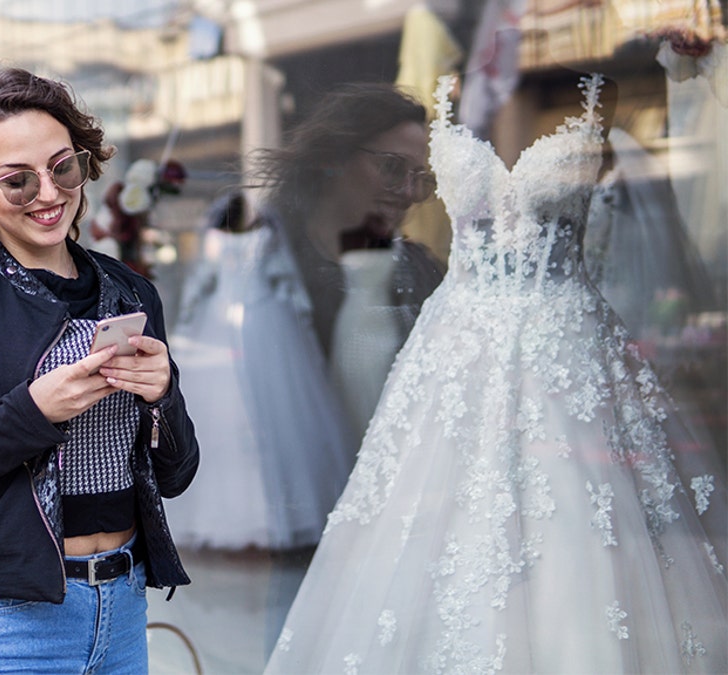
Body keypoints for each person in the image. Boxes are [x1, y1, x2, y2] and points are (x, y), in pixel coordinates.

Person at [265, 74, 727, 674]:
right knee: (432, 509)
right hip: (458, 343)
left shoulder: (596, 96)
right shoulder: (441, 115)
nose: (410, 190)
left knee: (573, 514)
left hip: (564, 341)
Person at [0, 67, 199, 673]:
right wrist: (34, 412)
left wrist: (164, 395)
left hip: (124, 609)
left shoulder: (131, 291)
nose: (49, 194)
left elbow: (178, 475)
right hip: (5, 624)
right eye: (17, 181)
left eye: (62, 168)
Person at [165, 189, 357, 550]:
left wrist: (187, 320)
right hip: (253, 316)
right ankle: (241, 516)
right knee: (239, 413)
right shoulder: (258, 234)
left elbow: (202, 283)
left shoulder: (228, 237)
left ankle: (269, 517)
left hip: (245, 316)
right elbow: (279, 281)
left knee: (266, 412)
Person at [251, 82, 445, 438]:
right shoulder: (274, 269)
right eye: (391, 168)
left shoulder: (424, 273)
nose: (407, 194)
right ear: (334, 158)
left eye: (421, 180)